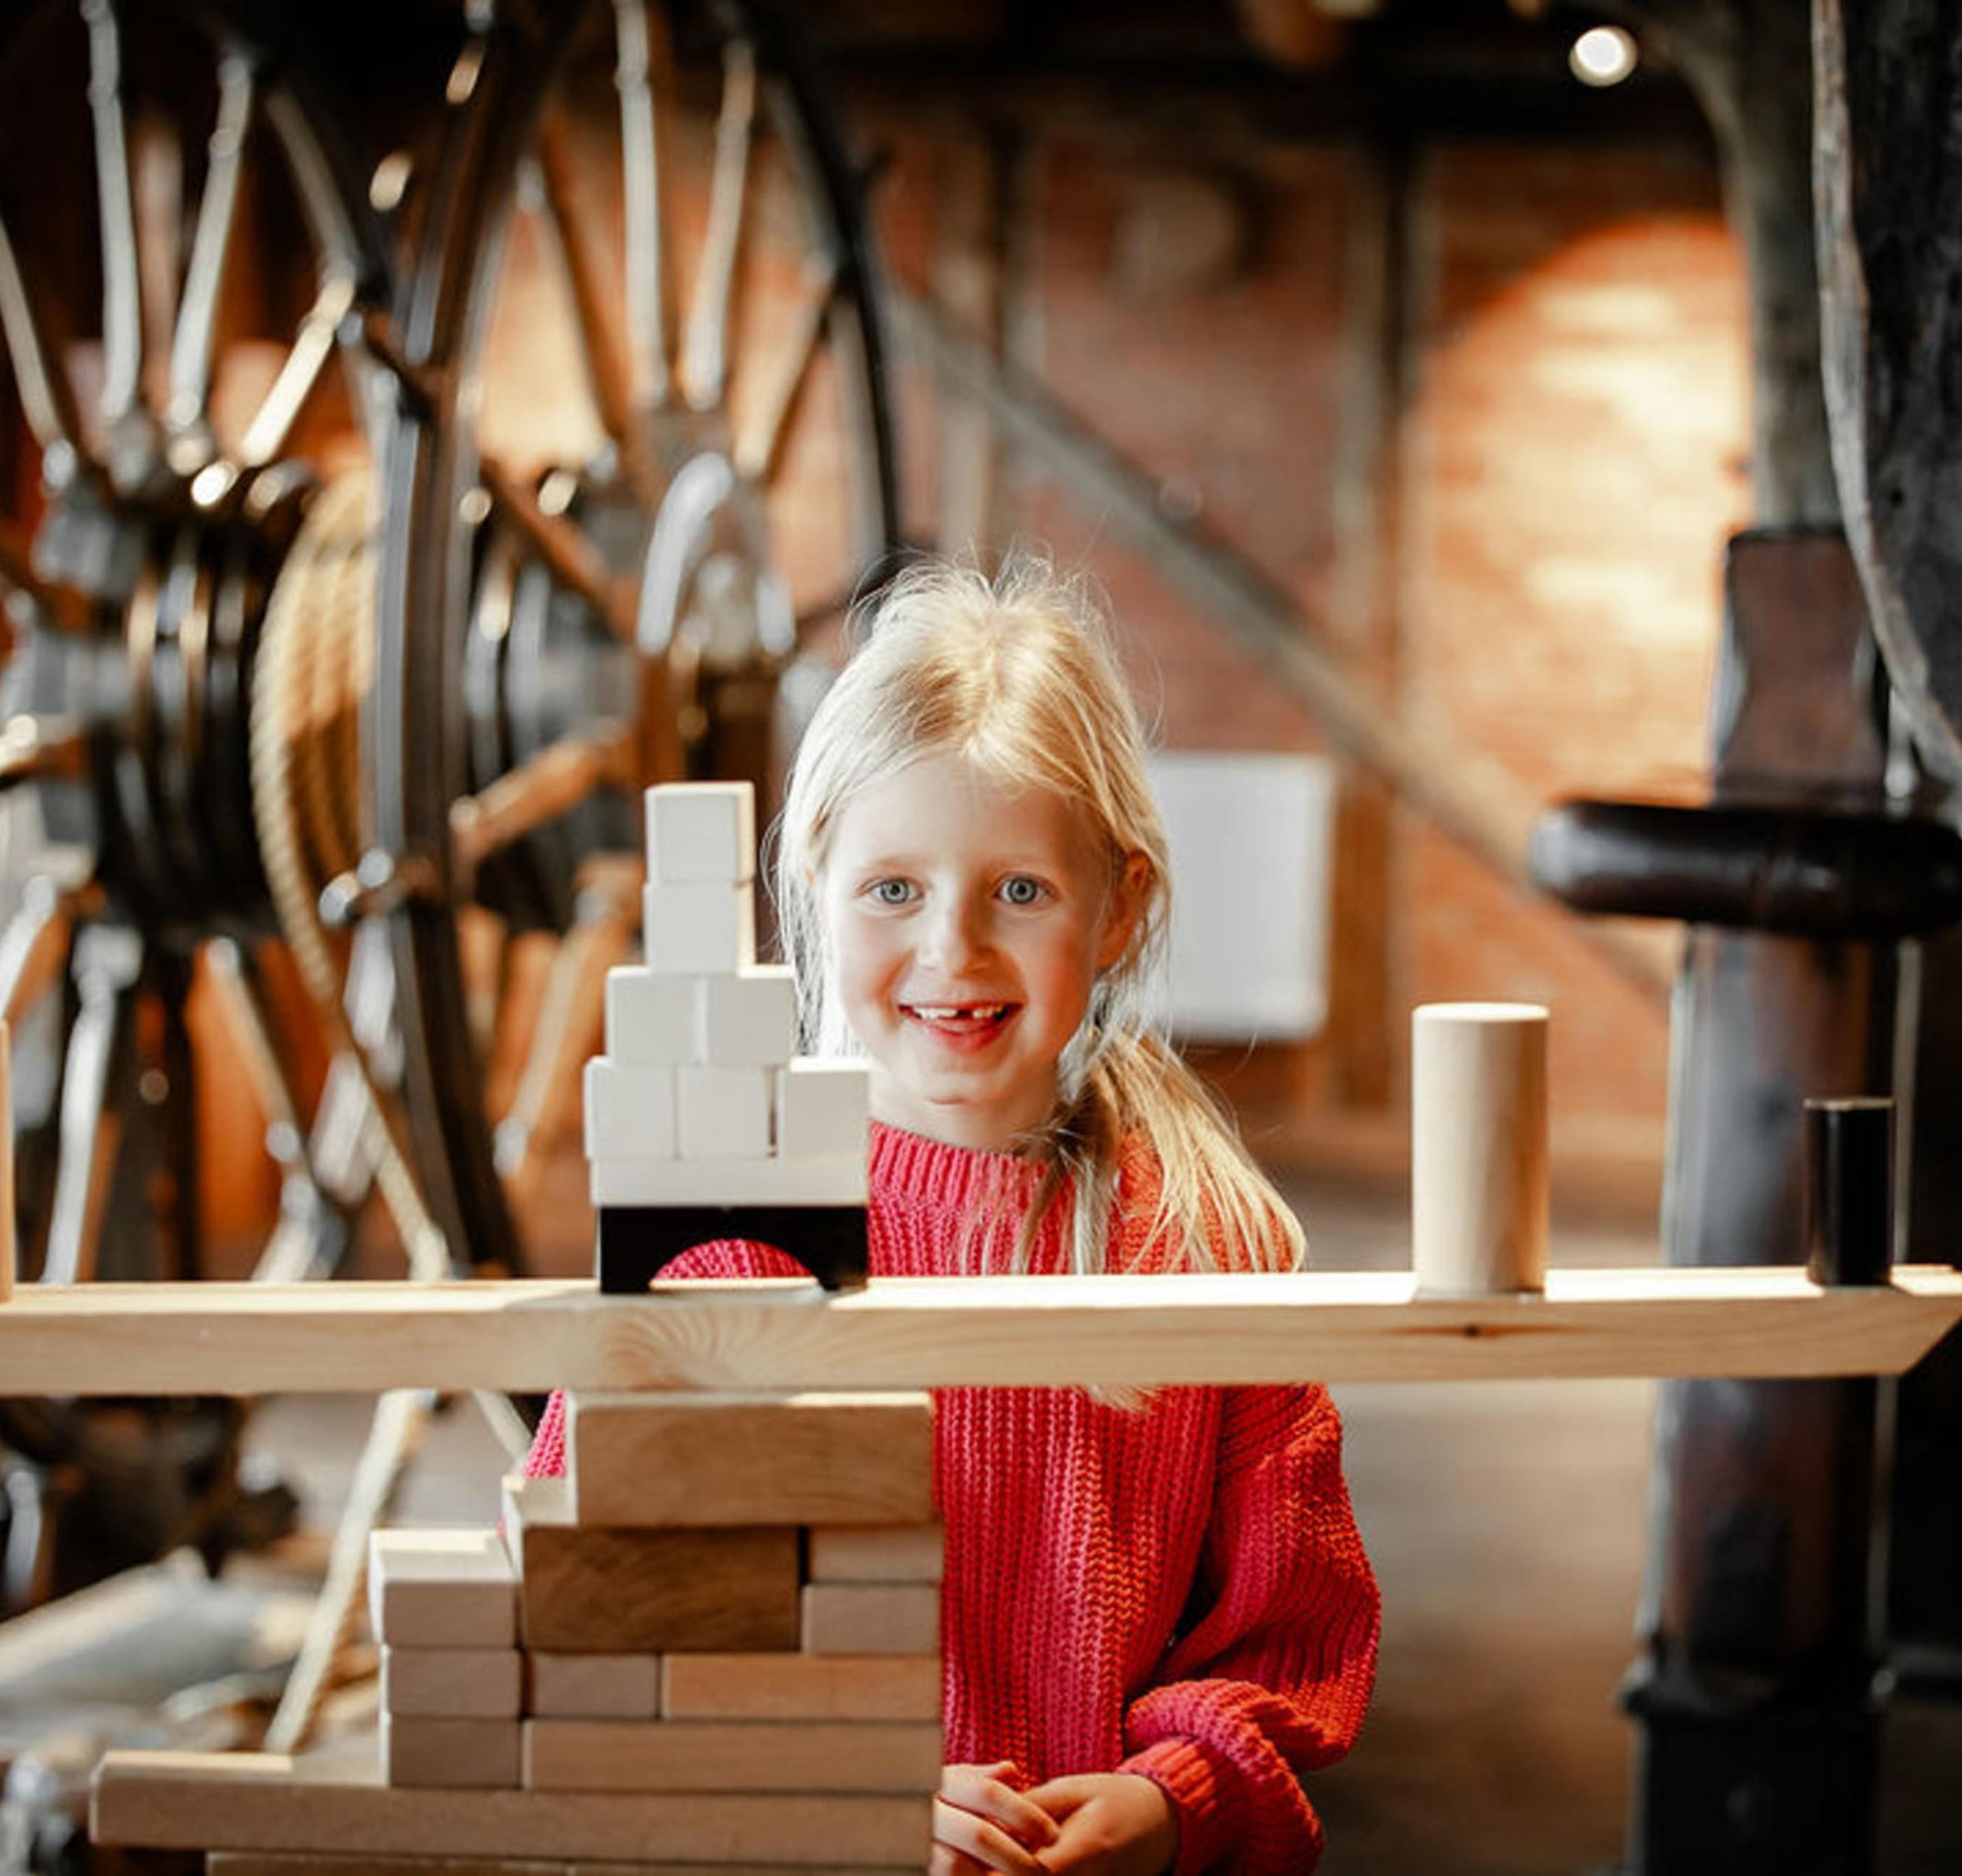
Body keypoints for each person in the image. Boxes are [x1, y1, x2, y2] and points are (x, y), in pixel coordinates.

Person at [522, 557, 1380, 1875]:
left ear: (1119, 907)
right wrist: (837, 1791)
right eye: (893, 890)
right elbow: (590, 1628)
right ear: (815, 882)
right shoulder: (723, 1241)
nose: (952, 955)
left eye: (1020, 891)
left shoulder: (1209, 1244)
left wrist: (1167, 1799)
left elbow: (1286, 1630)